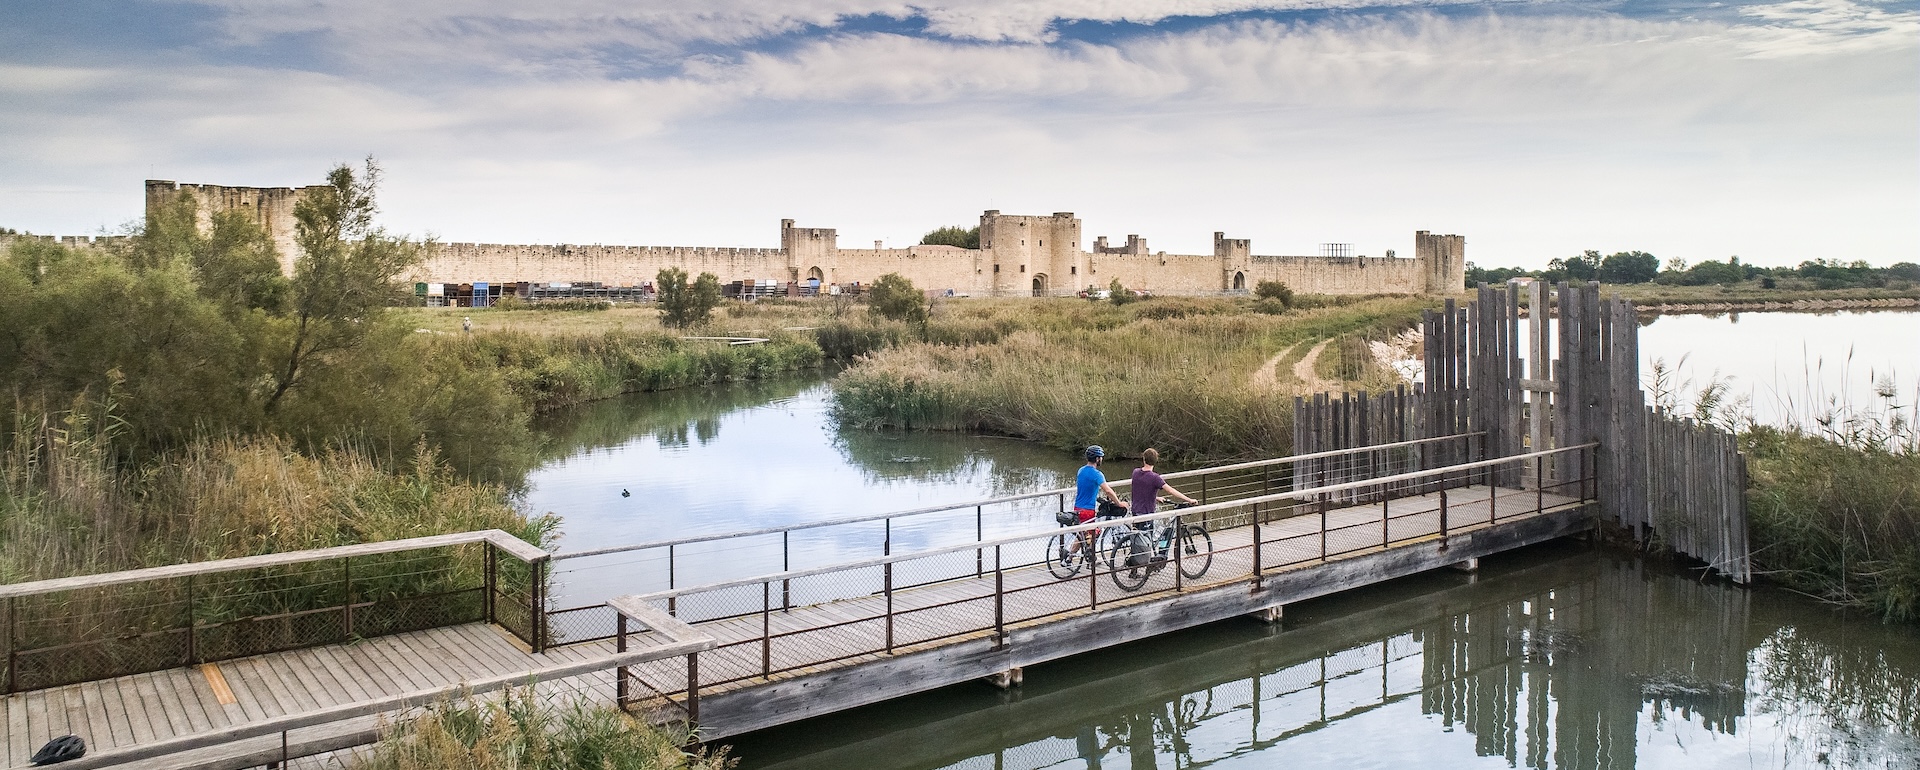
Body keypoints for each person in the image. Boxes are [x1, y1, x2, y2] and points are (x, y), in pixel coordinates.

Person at [1072, 446, 1125, 554]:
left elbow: (1088, 487)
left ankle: (1075, 557)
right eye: (1101, 457)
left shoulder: (1081, 470)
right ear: (1097, 459)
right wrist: (1118, 503)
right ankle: (1079, 557)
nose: (1101, 459)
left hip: (1078, 507)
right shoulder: (1097, 474)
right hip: (1088, 510)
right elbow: (1108, 490)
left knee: (1084, 534)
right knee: (1094, 532)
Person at [1130, 448, 1197, 519]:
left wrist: (1155, 498)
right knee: (1147, 530)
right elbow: (1170, 490)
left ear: (1144, 459)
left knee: (1137, 529)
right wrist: (1189, 500)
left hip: (1135, 511)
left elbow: (1140, 490)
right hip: (1147, 514)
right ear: (1156, 461)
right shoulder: (1155, 478)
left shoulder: (1135, 472)